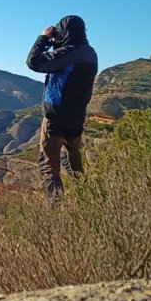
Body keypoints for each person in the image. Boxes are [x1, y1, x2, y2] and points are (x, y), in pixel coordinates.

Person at [26, 15, 98, 198]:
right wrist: (58, 43)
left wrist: (43, 39)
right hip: (76, 117)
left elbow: (34, 62)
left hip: (56, 118)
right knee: (74, 164)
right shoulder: (90, 53)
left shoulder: (69, 53)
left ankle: (56, 214)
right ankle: (87, 201)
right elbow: (67, 66)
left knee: (48, 166)